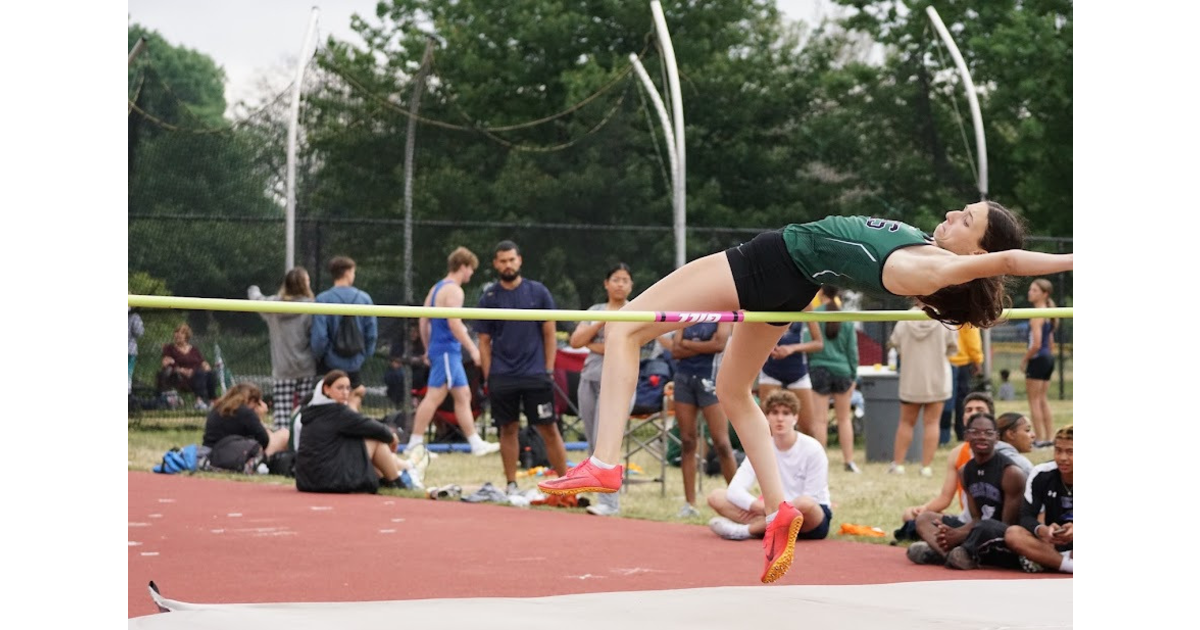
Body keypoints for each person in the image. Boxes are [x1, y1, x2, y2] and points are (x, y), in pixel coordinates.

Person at [539, 203, 1072, 584]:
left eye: (967, 220)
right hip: (793, 282)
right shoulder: (926, 251)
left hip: (770, 262)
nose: (954, 214)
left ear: (977, 249)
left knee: (624, 327)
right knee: (733, 389)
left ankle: (606, 459)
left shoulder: (934, 267)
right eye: (963, 208)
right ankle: (778, 511)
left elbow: (1009, 262)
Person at [475, 240, 570, 496]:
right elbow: (484, 342)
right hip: (502, 375)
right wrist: (489, 376)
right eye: (502, 261)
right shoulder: (489, 298)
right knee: (508, 428)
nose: (508, 265)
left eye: (511, 260)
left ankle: (566, 486)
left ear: (520, 260)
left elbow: (550, 334)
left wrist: (548, 369)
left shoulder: (538, 292)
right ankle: (511, 484)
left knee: (548, 428)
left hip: (535, 374)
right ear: (496, 264)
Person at [404, 247, 502, 458]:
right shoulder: (454, 290)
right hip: (448, 350)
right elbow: (454, 323)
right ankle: (415, 443)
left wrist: (428, 347)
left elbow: (423, 319)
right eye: (471, 269)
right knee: (434, 397)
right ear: (463, 266)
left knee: (463, 395)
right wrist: (473, 350)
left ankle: (475, 443)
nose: (471, 274)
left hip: (444, 350)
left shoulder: (436, 288)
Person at [706, 390, 832, 542]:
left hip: (808, 519)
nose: (780, 418)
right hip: (768, 511)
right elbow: (735, 489)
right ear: (766, 417)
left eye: (786, 413)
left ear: (795, 417)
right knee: (716, 497)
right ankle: (770, 526)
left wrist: (776, 510)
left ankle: (746, 530)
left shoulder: (813, 448)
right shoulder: (761, 447)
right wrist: (761, 508)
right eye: (774, 413)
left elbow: (813, 497)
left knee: (805, 503)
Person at [906, 412, 1027, 570]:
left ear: (997, 437)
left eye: (988, 433)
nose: (982, 437)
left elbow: (1006, 526)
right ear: (966, 436)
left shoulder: (1011, 473)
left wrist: (959, 535)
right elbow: (976, 517)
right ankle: (953, 555)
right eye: (975, 432)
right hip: (976, 530)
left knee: (987, 526)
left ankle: (956, 553)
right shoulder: (965, 471)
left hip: (999, 536)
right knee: (924, 518)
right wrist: (952, 533)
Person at [569, 263, 637, 517]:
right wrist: (600, 324)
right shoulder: (595, 311)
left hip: (619, 384)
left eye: (625, 280)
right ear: (606, 283)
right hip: (590, 379)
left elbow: (636, 348)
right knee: (592, 439)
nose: (620, 284)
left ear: (631, 285)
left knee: (606, 440)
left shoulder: (635, 310)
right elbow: (576, 341)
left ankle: (610, 503)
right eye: (615, 279)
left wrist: (595, 346)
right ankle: (598, 494)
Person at [295, 370, 426, 493]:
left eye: (347, 388)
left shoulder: (312, 412)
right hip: (332, 480)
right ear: (326, 389)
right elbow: (375, 428)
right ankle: (398, 482)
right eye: (340, 388)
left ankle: (394, 475)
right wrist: (392, 438)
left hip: (307, 481)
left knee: (363, 441)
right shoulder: (338, 412)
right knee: (375, 440)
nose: (345, 392)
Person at [663, 319, 738, 517]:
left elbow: (719, 345)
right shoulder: (687, 314)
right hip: (684, 379)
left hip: (711, 379)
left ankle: (738, 500)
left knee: (721, 442)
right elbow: (675, 350)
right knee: (687, 441)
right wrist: (703, 347)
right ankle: (690, 503)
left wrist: (688, 344)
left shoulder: (721, 313)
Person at [896, 392, 995, 537]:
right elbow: (945, 498)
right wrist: (924, 509)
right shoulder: (957, 453)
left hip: (992, 520)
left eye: (979, 410)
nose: (973, 414)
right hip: (967, 519)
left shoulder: (1001, 450)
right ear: (963, 417)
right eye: (969, 410)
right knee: (910, 515)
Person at [887, 303, 958, 476]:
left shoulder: (905, 320)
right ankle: (926, 467)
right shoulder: (944, 319)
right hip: (937, 379)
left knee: (905, 422)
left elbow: (894, 343)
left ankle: (899, 464)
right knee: (932, 423)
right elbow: (953, 348)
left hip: (911, 378)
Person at [248, 267, 319, 430]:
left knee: (282, 413)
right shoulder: (312, 306)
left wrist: (253, 289)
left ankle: (283, 445)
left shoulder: (273, 305)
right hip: (306, 366)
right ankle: (303, 439)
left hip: (283, 367)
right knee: (305, 410)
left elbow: (256, 299)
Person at [1005, 425, 1073, 574]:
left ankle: (1049, 561)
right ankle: (1068, 565)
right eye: (1058, 450)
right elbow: (1026, 516)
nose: (1063, 458)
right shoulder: (1041, 473)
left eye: (1070, 452)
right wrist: (1043, 531)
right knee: (1013, 534)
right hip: (1051, 543)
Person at [807, 286, 861, 472]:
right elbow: (852, 350)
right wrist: (853, 375)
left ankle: (820, 464)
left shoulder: (815, 314)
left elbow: (809, 343)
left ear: (821, 293)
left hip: (819, 368)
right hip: (843, 370)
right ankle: (849, 461)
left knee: (820, 420)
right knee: (844, 419)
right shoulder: (845, 317)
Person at [756, 315, 824, 448]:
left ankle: (810, 462)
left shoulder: (805, 304)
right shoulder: (764, 299)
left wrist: (792, 348)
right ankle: (771, 466)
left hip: (797, 371)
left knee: (809, 429)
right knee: (768, 429)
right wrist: (766, 345)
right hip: (770, 370)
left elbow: (818, 343)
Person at [310, 256, 378, 391]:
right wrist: (364, 355)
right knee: (352, 399)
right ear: (347, 273)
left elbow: (319, 336)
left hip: (329, 363)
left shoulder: (323, 299)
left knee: (327, 399)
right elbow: (371, 334)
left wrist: (321, 355)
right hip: (355, 362)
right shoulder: (364, 299)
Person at [202, 382, 290, 470]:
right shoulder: (245, 412)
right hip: (235, 455)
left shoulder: (218, 408)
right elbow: (264, 440)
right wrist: (259, 417)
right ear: (252, 400)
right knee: (284, 434)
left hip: (212, 452)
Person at [1022, 278, 1059, 447]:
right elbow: (1050, 343)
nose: (1030, 292)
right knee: (1042, 399)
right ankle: (1049, 437)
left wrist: (1025, 359)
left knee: (1035, 401)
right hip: (1048, 358)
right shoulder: (1049, 313)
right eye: (1030, 289)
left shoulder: (1037, 315)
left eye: (1035, 290)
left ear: (1045, 294)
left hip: (1038, 358)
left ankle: (1040, 439)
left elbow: (1036, 344)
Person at [157, 322, 217, 409]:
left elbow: (202, 362)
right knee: (199, 373)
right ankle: (199, 402)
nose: (178, 335)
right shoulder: (170, 348)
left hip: (198, 375)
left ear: (186, 336)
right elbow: (165, 363)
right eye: (176, 332)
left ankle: (212, 402)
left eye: (181, 332)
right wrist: (182, 370)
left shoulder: (194, 350)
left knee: (211, 374)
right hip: (180, 377)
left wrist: (207, 367)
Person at [941, 324, 983, 443]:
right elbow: (972, 338)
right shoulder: (967, 315)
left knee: (945, 400)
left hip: (944, 360)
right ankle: (962, 433)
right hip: (962, 361)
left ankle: (943, 436)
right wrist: (977, 360)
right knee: (962, 402)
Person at [129, 307, 145, 395]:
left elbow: (139, 332)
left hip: (129, 351)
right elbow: (139, 332)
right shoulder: (134, 316)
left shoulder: (133, 315)